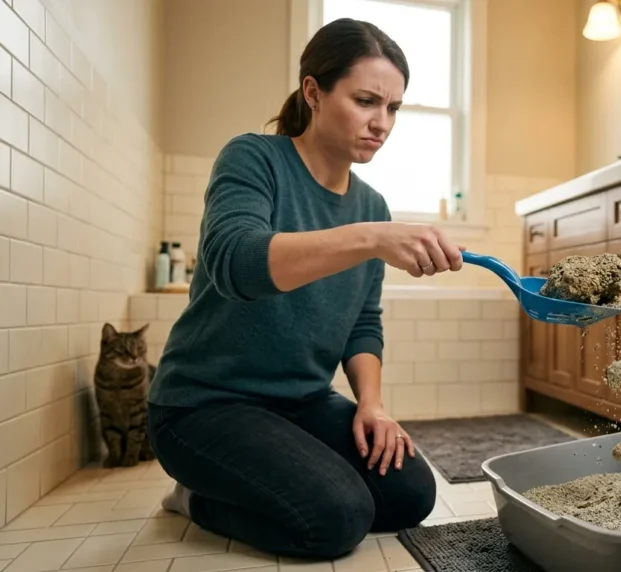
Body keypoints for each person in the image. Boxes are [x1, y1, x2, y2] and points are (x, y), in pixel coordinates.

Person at [145, 18, 463, 560]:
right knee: (337, 517)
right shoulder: (254, 159)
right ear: (313, 92)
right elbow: (235, 262)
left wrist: (373, 405)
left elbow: (362, 323)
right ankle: (195, 498)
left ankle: (276, 475)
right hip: (204, 405)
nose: (381, 123)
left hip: (302, 401)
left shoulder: (371, 206)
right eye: (366, 101)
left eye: (392, 108)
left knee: (411, 492)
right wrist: (369, 238)